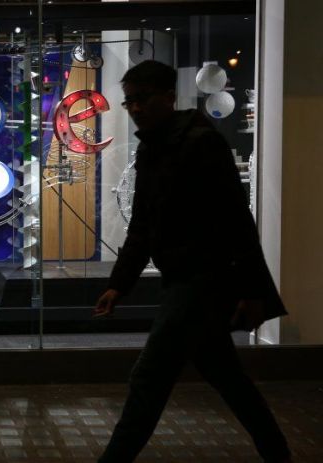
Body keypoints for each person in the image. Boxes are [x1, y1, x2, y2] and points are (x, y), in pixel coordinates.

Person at [94, 60, 291, 463]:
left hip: (202, 283)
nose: (135, 108)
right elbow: (142, 226)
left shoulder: (200, 143)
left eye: (143, 99)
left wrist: (253, 291)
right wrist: (118, 284)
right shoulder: (152, 147)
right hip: (184, 282)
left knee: (149, 379)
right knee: (228, 378)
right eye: (130, 101)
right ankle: (278, 454)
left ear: (169, 97)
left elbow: (236, 220)